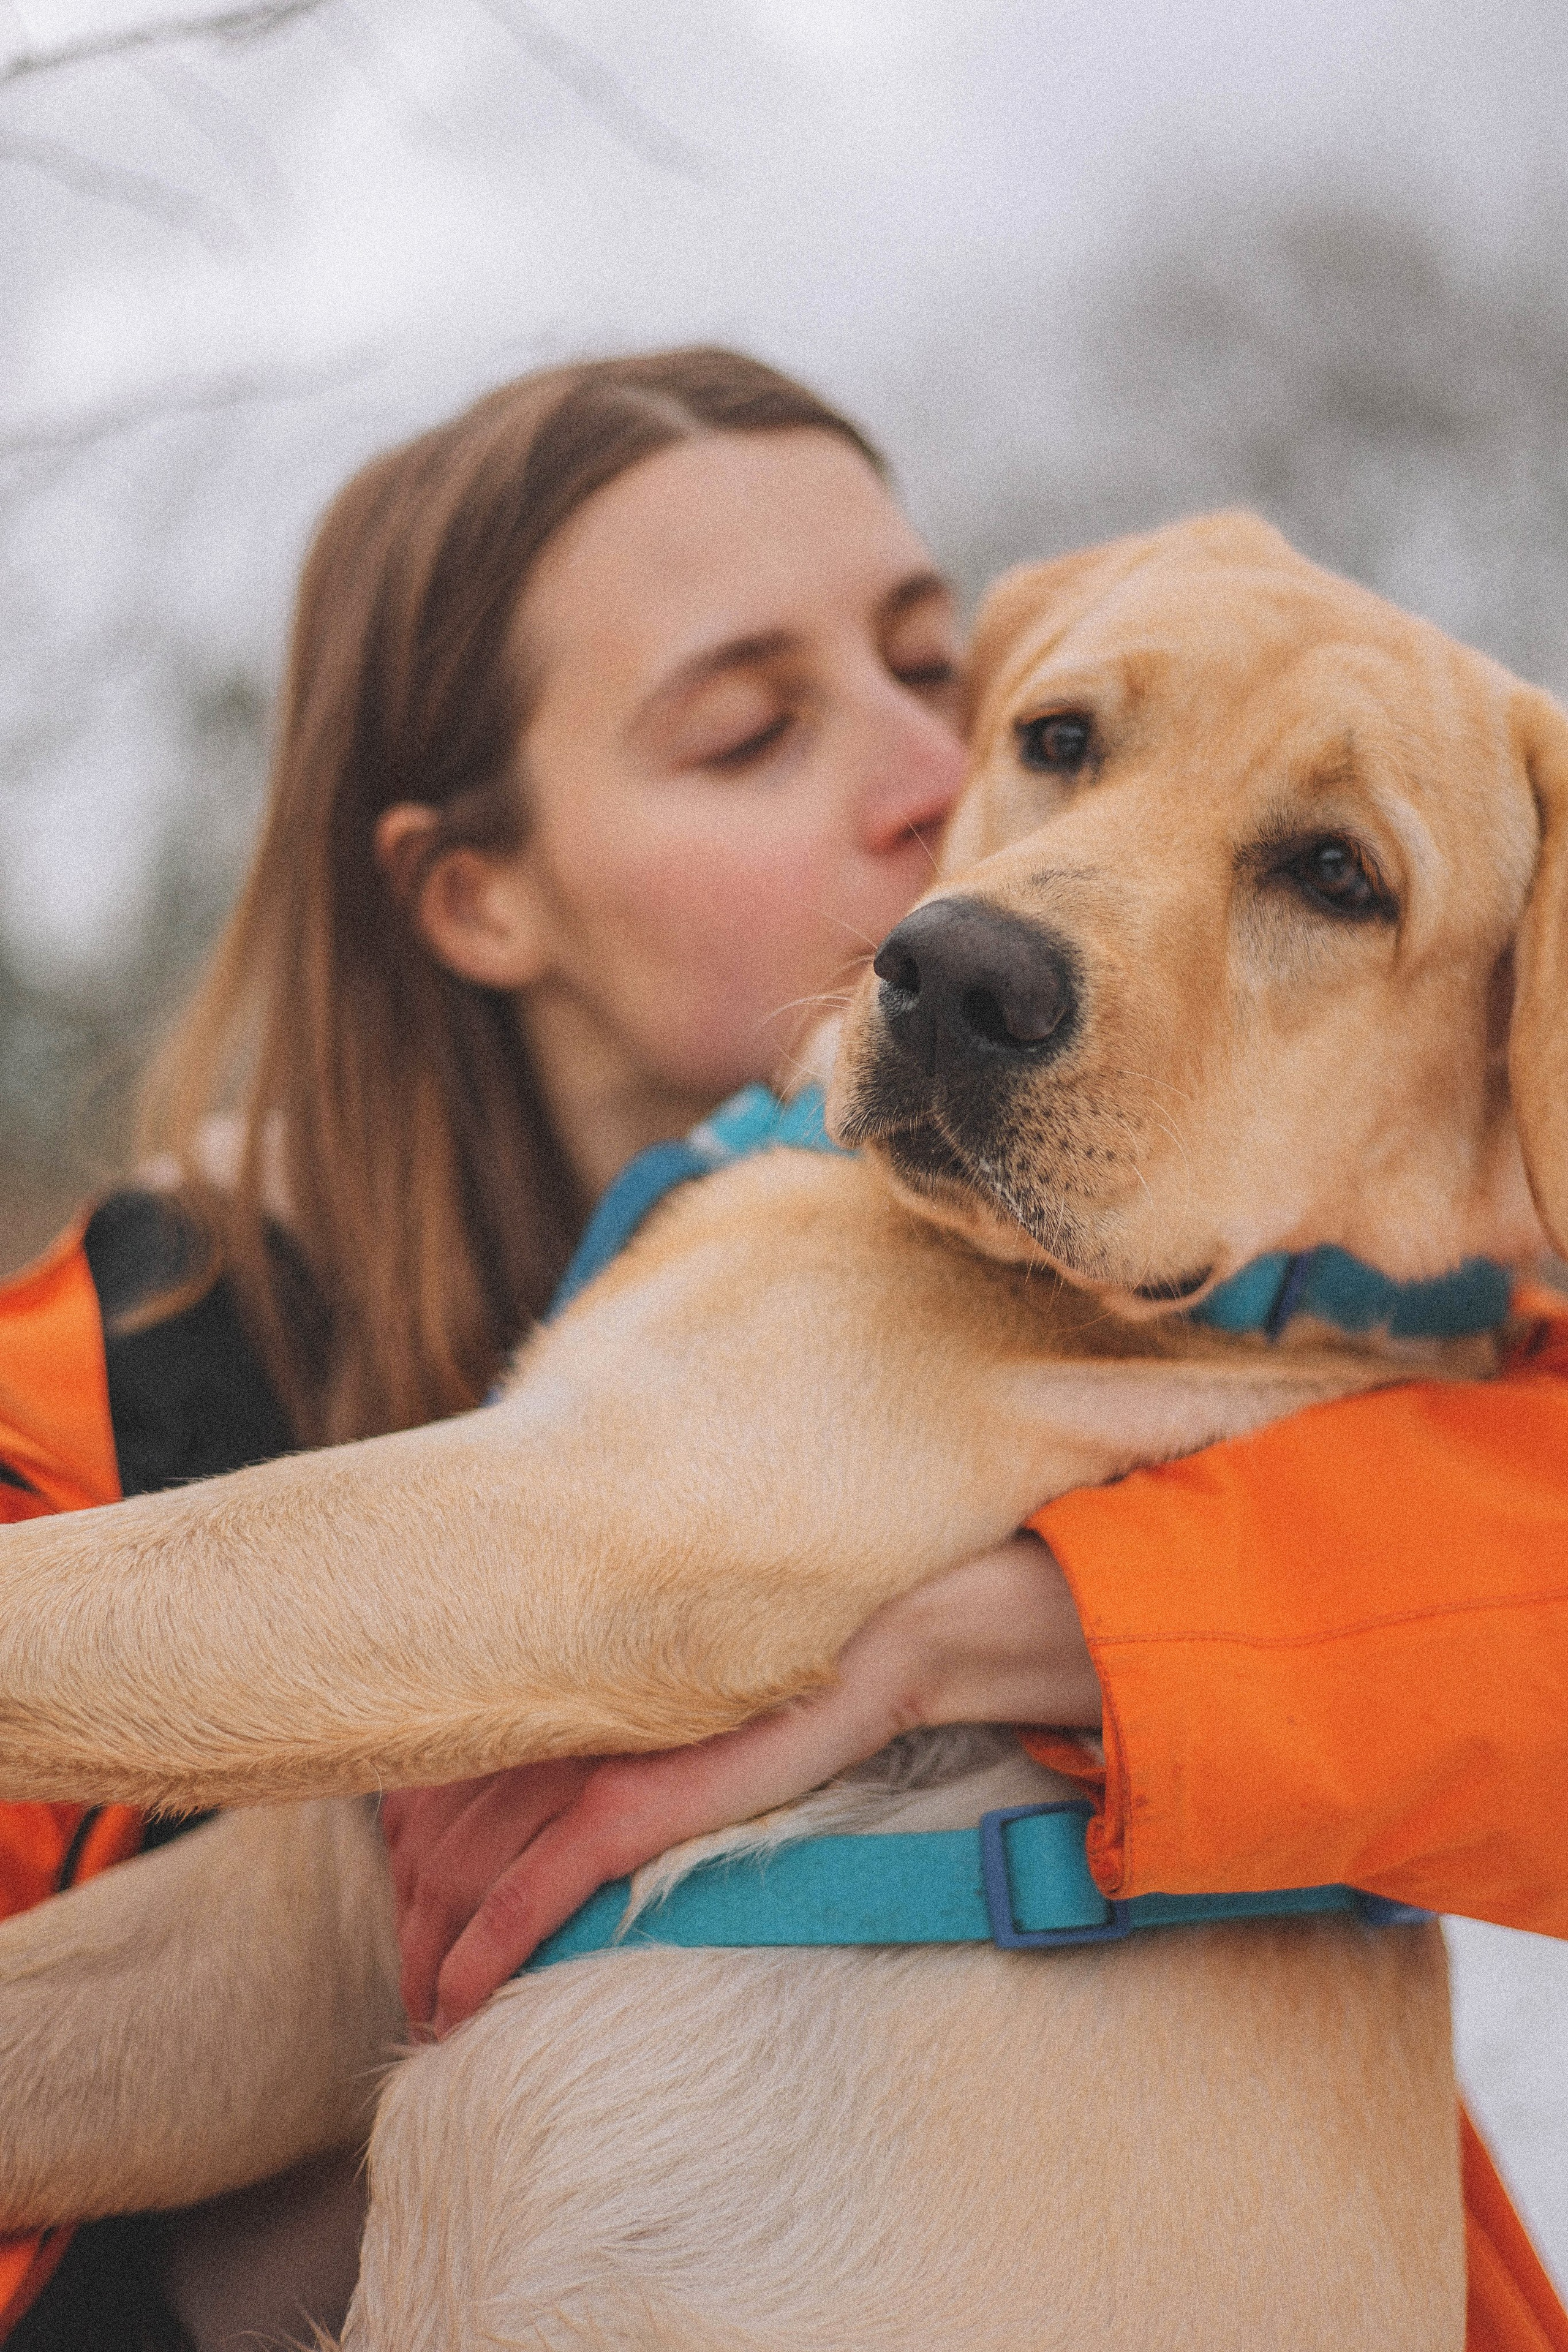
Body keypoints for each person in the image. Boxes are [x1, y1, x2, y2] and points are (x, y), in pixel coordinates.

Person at [0, 347, 1562, 2351]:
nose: (970, 855)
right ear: (473, 899)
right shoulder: (122, 1373)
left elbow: (568, 1562)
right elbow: (294, 1948)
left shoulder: (1381, 1413)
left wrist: (1097, 1625)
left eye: (1326, 876)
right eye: (1064, 738)